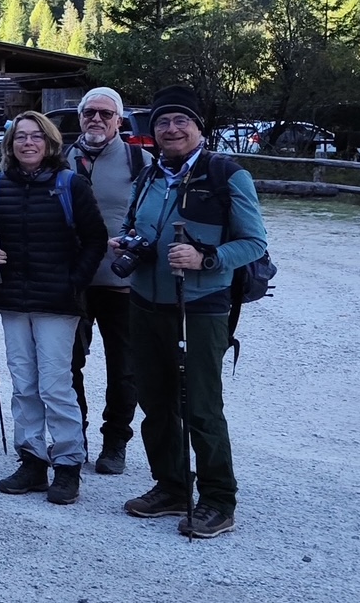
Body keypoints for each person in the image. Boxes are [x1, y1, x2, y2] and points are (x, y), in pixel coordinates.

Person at [115, 85, 267, 539]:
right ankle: (171, 485)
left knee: (201, 406)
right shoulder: (147, 177)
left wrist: (207, 260)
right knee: (155, 401)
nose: (171, 129)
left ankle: (219, 500)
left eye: (181, 120)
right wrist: (126, 243)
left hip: (200, 307)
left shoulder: (227, 174)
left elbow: (255, 242)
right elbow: (130, 225)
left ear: (199, 127)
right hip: (146, 302)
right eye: (162, 122)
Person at [0, 111, 108, 504]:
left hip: (58, 303)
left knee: (54, 385)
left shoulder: (70, 185)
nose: (27, 143)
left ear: (49, 143)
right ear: (10, 146)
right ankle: (32, 460)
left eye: (35, 137)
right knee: (24, 383)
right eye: (20, 138)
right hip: (14, 299)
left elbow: (96, 240)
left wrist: (73, 284)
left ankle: (67, 465)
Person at [66, 86, 146, 476]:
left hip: (121, 283)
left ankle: (115, 443)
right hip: (72, 281)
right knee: (68, 363)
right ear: (80, 117)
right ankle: (74, 438)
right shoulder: (61, 158)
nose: (96, 119)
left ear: (119, 120)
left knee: (124, 367)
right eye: (89, 112)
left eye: (105, 113)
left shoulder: (139, 160)